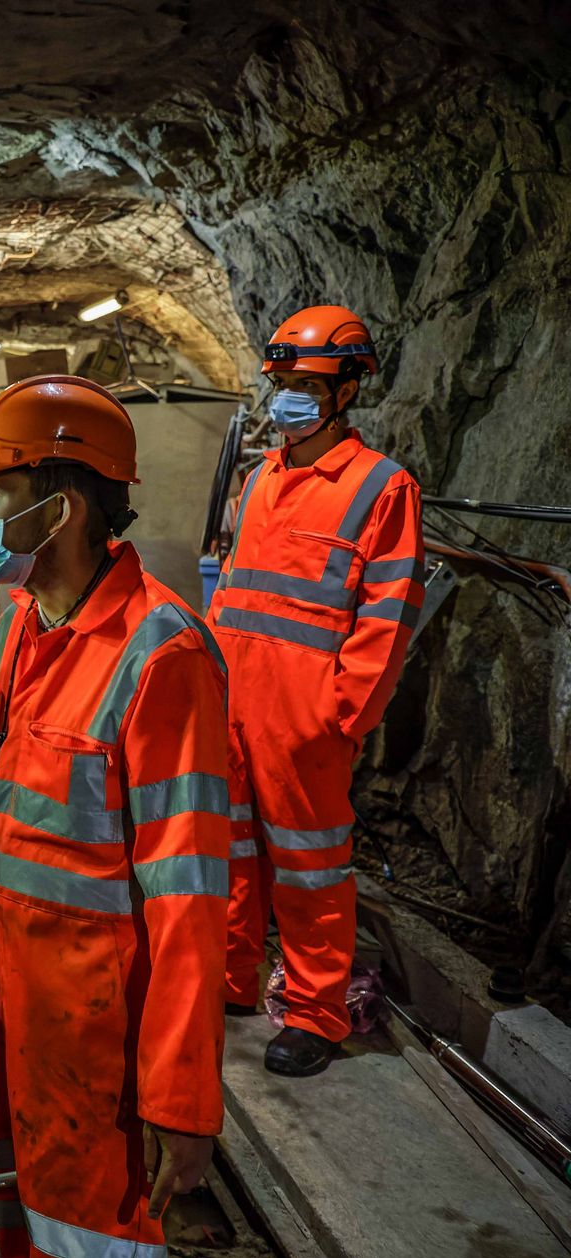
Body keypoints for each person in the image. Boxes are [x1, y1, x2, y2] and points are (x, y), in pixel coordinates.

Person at [0, 375, 230, 1258]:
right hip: (10, 1002)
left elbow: (189, 900)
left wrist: (180, 1098)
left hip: (94, 1042)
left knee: (89, 1236)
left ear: (59, 509)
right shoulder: (24, 626)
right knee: (20, 1222)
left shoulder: (163, 655)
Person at [210, 305, 424, 1076]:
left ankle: (314, 1013)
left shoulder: (382, 487)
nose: (287, 399)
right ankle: (233, 978)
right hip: (234, 705)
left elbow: (389, 616)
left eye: (304, 385)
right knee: (231, 853)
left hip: (306, 719)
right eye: (282, 383)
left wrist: (339, 718)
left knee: (311, 871)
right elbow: (234, 590)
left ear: (346, 391)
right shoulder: (262, 478)